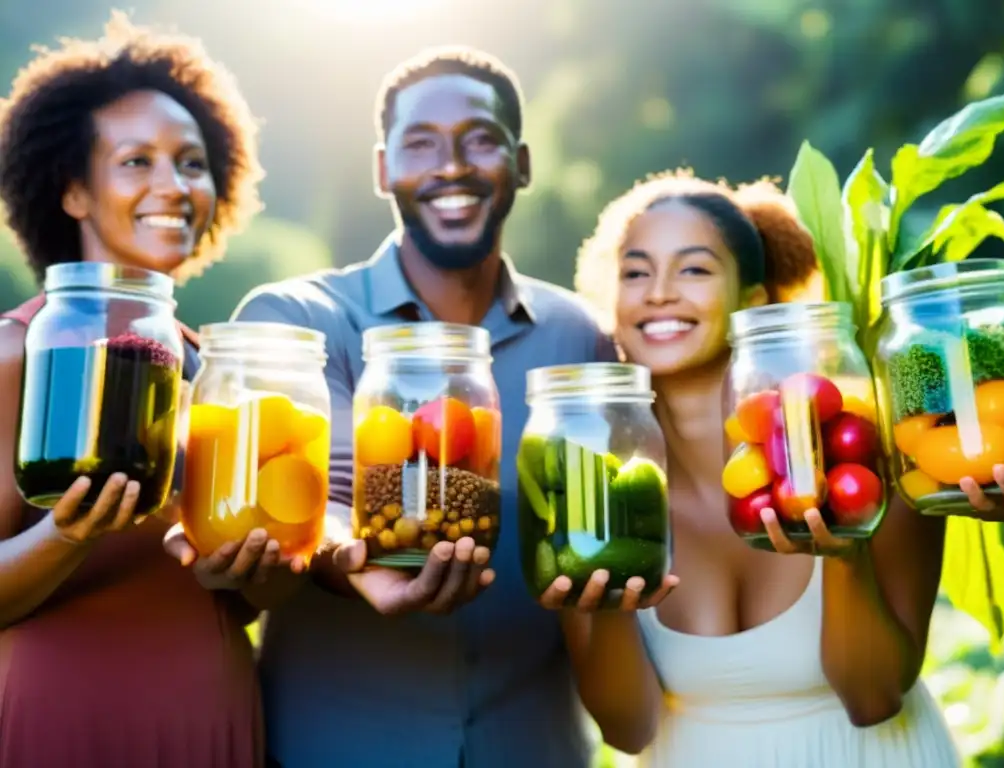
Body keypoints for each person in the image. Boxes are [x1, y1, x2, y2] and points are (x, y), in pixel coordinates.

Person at [217, 47, 620, 767]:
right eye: (421, 144)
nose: (452, 166)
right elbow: (309, 501)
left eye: (481, 139)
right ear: (383, 170)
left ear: (522, 163)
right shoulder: (296, 319)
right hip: (334, 748)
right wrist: (358, 562)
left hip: (532, 747)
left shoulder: (578, 336)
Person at [563, 169, 962, 766]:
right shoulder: (598, 488)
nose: (658, 291)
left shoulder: (859, 452)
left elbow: (874, 697)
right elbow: (627, 730)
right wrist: (611, 608)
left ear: (754, 302)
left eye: (693, 269)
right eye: (636, 272)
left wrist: (845, 554)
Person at [0, 12, 280, 766]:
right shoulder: (18, 352)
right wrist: (68, 533)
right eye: (136, 162)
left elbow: (231, 596)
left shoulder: (213, 365)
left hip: (212, 719)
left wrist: (250, 573)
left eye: (192, 162)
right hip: (62, 725)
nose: (174, 186)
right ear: (72, 193)